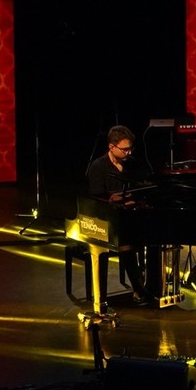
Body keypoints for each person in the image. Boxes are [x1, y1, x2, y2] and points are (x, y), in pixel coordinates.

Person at [86, 125, 152, 305]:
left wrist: (135, 199)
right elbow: (96, 199)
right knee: (126, 243)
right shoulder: (98, 166)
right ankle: (139, 288)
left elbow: (141, 187)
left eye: (130, 149)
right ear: (111, 147)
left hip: (130, 216)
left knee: (153, 237)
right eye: (125, 149)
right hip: (105, 220)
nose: (129, 153)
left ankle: (152, 284)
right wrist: (116, 201)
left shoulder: (132, 163)